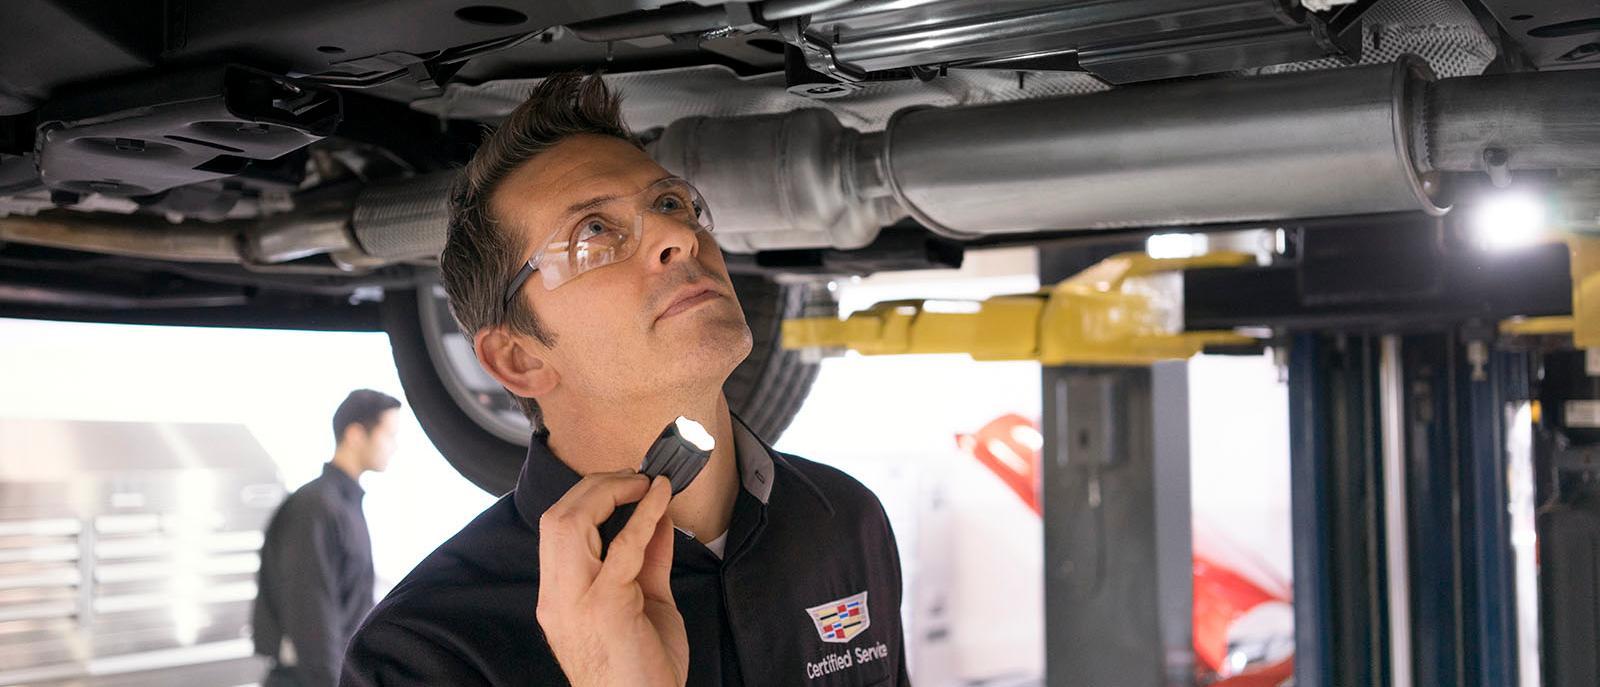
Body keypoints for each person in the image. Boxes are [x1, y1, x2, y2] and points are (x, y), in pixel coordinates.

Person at [340, 73, 909, 686]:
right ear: (519, 359)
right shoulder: (425, 651)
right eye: (593, 232)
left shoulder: (844, 518)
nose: (678, 235)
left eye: (669, 203)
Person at [254, 389, 402, 687]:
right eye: (388, 435)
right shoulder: (315, 507)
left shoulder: (342, 505)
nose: (394, 447)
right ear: (356, 434)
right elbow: (311, 617)